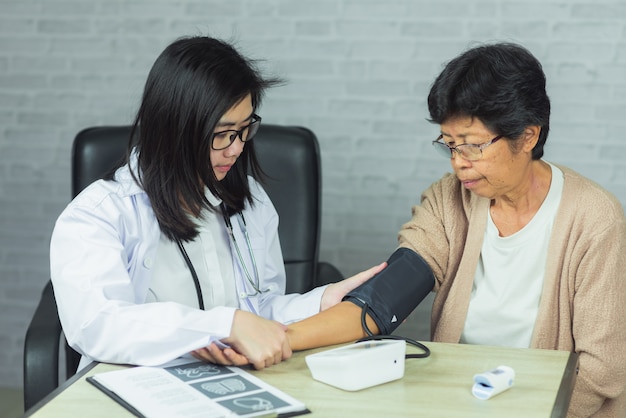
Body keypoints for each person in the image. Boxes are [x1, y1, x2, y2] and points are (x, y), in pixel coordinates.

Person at [282, 43, 626, 417]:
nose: (458, 164)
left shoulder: (595, 219)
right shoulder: (450, 200)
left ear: (527, 136)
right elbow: (385, 297)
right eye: (449, 145)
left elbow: (600, 372)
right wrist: (281, 340)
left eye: (473, 147)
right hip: (459, 403)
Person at [50, 36, 384, 372]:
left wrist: (322, 301)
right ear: (175, 129)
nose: (236, 149)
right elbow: (97, 325)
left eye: (244, 129)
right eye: (223, 133)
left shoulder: (249, 204)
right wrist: (223, 326)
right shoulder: (96, 215)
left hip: (234, 381)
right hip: (137, 387)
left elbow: (258, 312)